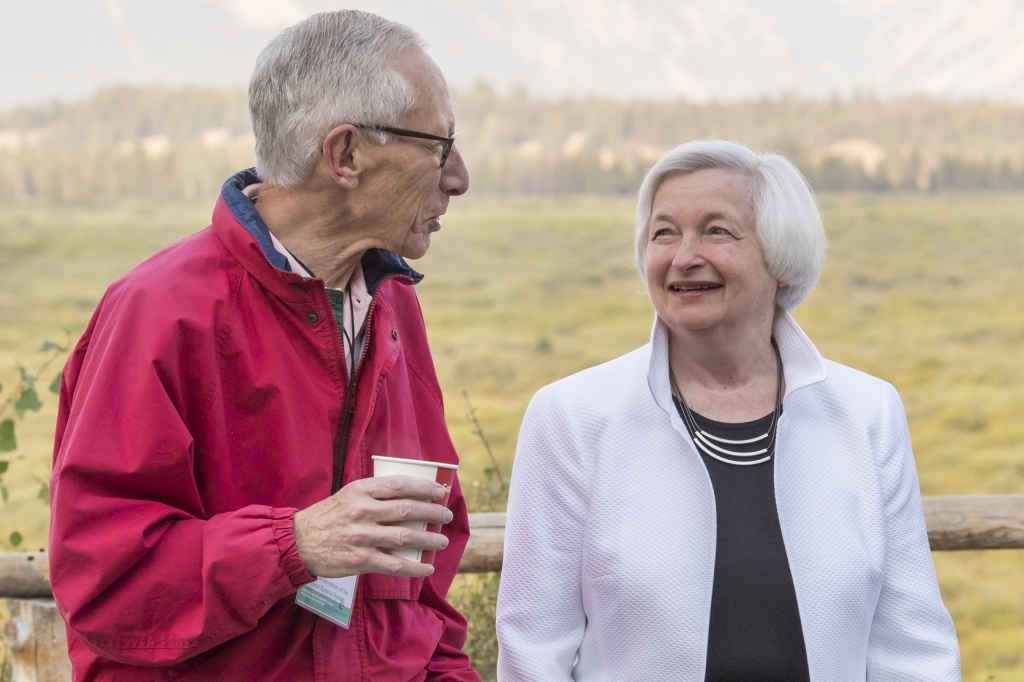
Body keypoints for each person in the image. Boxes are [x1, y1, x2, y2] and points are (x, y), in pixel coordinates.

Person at [49, 11, 479, 681]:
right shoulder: (159, 313)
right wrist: (294, 545)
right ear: (346, 155)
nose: (459, 177)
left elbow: (425, 570)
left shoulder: (393, 307)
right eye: (439, 143)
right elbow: (107, 585)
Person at [496, 140, 960, 681]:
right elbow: (533, 651)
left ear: (782, 257)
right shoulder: (571, 416)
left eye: (716, 230)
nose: (682, 256)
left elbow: (913, 647)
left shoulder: (868, 413)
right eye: (664, 232)